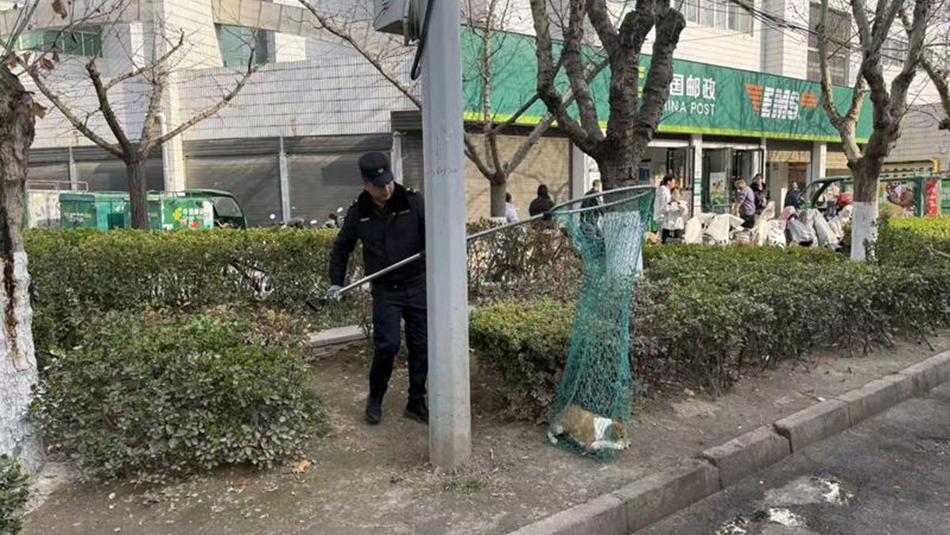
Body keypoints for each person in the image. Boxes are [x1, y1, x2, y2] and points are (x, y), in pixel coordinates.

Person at [327, 152, 428, 426]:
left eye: (389, 182)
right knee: (388, 346)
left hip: (416, 284)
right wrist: (336, 282)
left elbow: (433, 235)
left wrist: (430, 252)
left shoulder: (412, 202)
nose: (387, 189)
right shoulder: (358, 213)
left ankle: (416, 401)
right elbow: (341, 249)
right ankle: (376, 398)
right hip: (386, 290)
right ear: (367, 185)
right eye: (380, 186)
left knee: (421, 346)